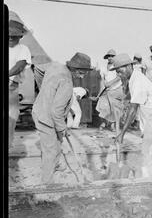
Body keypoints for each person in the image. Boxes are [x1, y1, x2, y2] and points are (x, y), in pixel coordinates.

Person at [32, 52, 90, 184]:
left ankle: (56, 166)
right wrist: (62, 128)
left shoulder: (55, 66)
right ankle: (47, 184)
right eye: (82, 72)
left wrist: (45, 90)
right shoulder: (67, 83)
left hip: (40, 110)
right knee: (50, 151)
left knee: (57, 143)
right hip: (45, 117)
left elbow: (38, 69)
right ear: (75, 69)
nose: (83, 76)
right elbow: (56, 111)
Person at [9, 20, 32, 148]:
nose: (11, 37)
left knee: (10, 118)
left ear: (20, 36)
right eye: (8, 35)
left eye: (15, 35)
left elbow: (19, 65)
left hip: (11, 88)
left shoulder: (23, 49)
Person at [91, 49, 124, 132]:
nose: (110, 58)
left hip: (116, 89)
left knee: (114, 108)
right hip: (106, 89)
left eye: (112, 56)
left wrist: (110, 83)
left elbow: (119, 77)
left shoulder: (118, 66)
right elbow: (102, 80)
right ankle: (103, 123)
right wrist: (100, 92)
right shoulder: (103, 67)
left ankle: (113, 125)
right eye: (109, 56)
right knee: (103, 106)